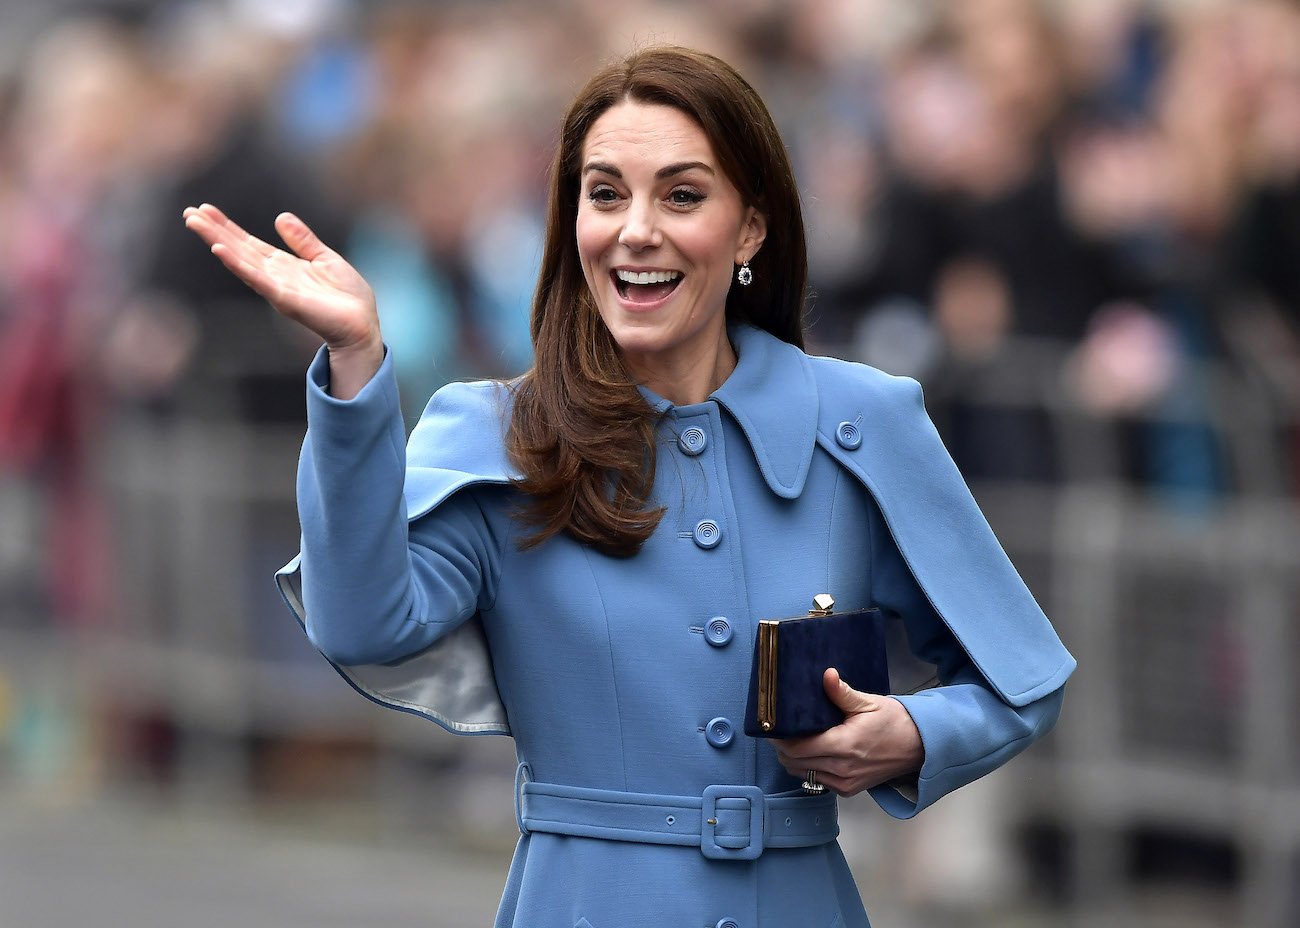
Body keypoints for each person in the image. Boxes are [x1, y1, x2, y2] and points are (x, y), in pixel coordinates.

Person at [184, 46, 1073, 928]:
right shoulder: (498, 431)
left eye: (682, 195)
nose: (636, 229)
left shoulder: (861, 421)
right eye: (605, 194)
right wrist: (353, 367)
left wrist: (914, 736)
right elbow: (360, 625)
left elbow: (1021, 681)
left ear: (751, 227)